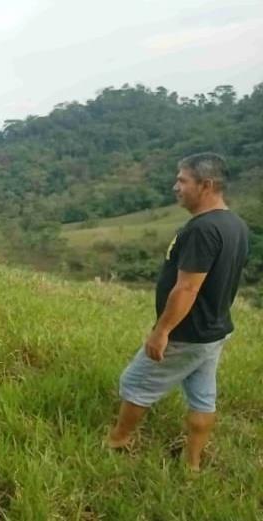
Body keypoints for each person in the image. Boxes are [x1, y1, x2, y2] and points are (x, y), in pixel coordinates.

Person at [107, 153, 249, 471]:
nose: (176, 187)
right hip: (214, 330)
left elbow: (187, 288)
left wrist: (162, 331)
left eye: (183, 180)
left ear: (206, 185)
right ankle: (192, 466)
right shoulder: (235, 224)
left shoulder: (203, 229)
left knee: (135, 383)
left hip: (186, 332)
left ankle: (117, 442)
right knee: (202, 397)